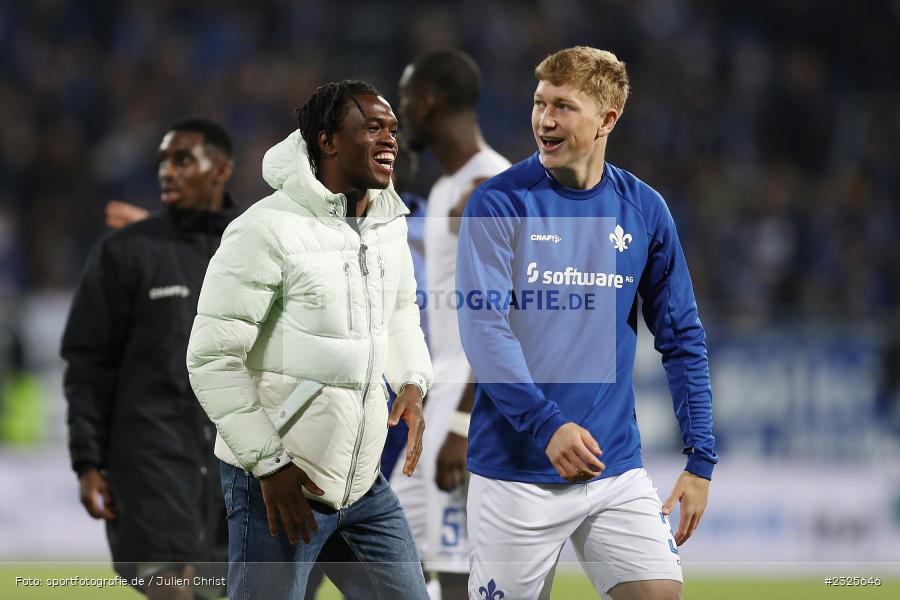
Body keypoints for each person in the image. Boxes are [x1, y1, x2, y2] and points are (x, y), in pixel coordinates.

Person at [456, 47, 717, 600]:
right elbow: (484, 329)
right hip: (515, 472)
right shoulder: (500, 203)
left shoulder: (643, 210)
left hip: (613, 467)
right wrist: (547, 425)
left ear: (607, 120)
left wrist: (700, 458)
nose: (544, 120)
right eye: (539, 103)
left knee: (659, 595)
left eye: (563, 106)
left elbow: (682, 338)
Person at [185, 80, 432, 600]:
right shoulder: (265, 229)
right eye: (372, 128)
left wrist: (410, 379)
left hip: (361, 483)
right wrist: (269, 466)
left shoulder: (388, 224)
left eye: (392, 128)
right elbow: (212, 358)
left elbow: (400, 313)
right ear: (328, 141)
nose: (390, 139)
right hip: (280, 482)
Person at [62, 118, 239, 599]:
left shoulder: (255, 248)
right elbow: (86, 364)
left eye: (183, 160)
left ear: (221, 171)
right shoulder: (125, 254)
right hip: (150, 461)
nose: (168, 171)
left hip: (237, 465)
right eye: (163, 160)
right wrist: (87, 461)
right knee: (173, 589)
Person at [393, 48, 510, 599]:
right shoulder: (446, 190)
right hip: (442, 391)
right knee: (394, 550)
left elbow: (508, 317)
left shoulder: (495, 187)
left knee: (458, 563)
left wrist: (463, 425)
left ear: (430, 101)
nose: (401, 112)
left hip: (472, 398)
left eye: (406, 99)